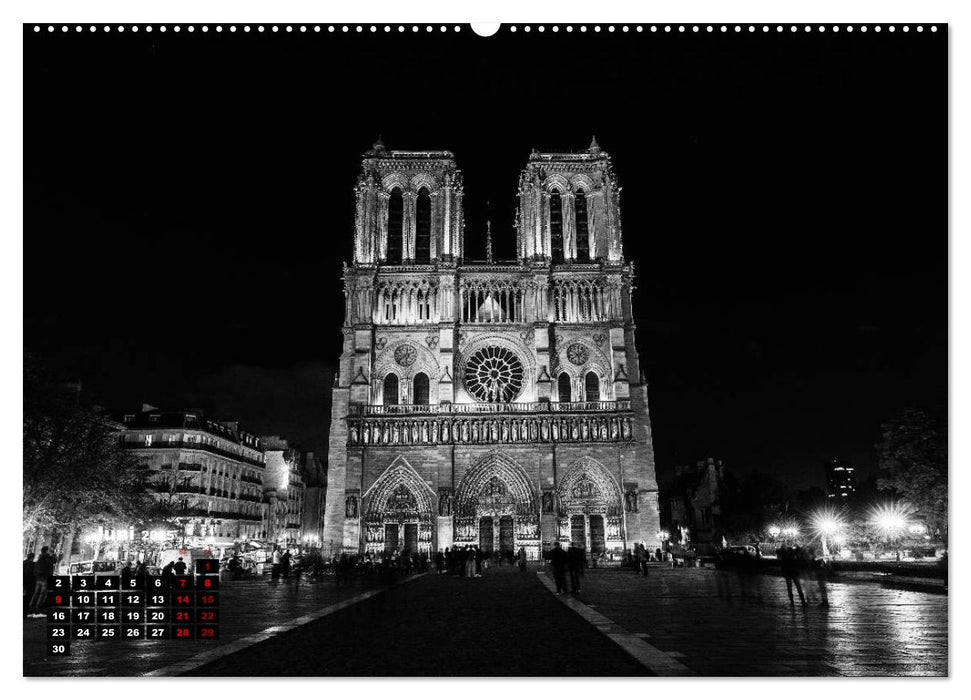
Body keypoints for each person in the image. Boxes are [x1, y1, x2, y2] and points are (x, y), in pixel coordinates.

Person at [29, 546, 55, 616]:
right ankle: (37, 611)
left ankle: (30, 609)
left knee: (35, 594)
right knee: (42, 595)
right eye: (49, 550)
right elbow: (51, 564)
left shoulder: (39, 558)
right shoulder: (48, 558)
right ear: (46, 551)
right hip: (45, 578)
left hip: (38, 579)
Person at [23, 553, 35, 618]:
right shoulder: (32, 564)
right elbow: (32, 575)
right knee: (26, 599)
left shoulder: (23, 562)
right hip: (28, 584)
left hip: (23, 583)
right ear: (32, 557)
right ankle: (24, 613)